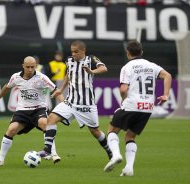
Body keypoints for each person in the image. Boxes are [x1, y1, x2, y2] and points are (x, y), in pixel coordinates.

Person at [103, 40, 172, 176]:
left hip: (131, 104)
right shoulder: (151, 65)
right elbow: (167, 76)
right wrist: (165, 95)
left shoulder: (127, 67)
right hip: (147, 108)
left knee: (112, 130)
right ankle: (129, 168)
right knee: (130, 136)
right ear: (141, 52)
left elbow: (123, 89)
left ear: (127, 53)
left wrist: (123, 100)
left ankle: (116, 155)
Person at [39, 40, 113, 161]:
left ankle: (109, 151)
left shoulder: (91, 59)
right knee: (51, 119)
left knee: (95, 131)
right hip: (70, 102)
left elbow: (104, 68)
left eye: (76, 52)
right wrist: (61, 89)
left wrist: (92, 71)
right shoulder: (69, 60)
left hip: (87, 104)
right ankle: (47, 149)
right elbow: (69, 74)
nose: (73, 54)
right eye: (72, 51)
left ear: (83, 51)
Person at [0, 56, 64, 167]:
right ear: (23, 66)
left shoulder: (42, 77)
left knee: (45, 123)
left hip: (39, 108)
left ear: (35, 66)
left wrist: (63, 107)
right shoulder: (16, 77)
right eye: (28, 67)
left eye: (32, 67)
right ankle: (0, 160)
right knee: (11, 129)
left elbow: (56, 91)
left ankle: (53, 154)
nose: (30, 69)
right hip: (22, 111)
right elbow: (7, 87)